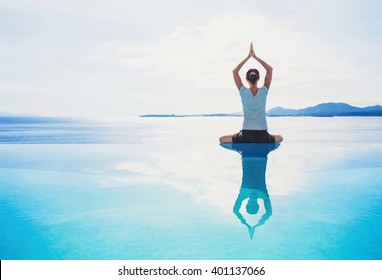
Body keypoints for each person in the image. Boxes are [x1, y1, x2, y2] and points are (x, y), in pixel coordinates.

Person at [219, 43, 283, 144]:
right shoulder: (264, 91)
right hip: (262, 135)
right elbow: (269, 69)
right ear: (258, 78)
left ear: (246, 79)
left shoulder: (243, 92)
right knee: (280, 138)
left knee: (221, 139)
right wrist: (255, 57)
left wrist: (248, 57)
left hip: (246, 135)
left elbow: (235, 72)